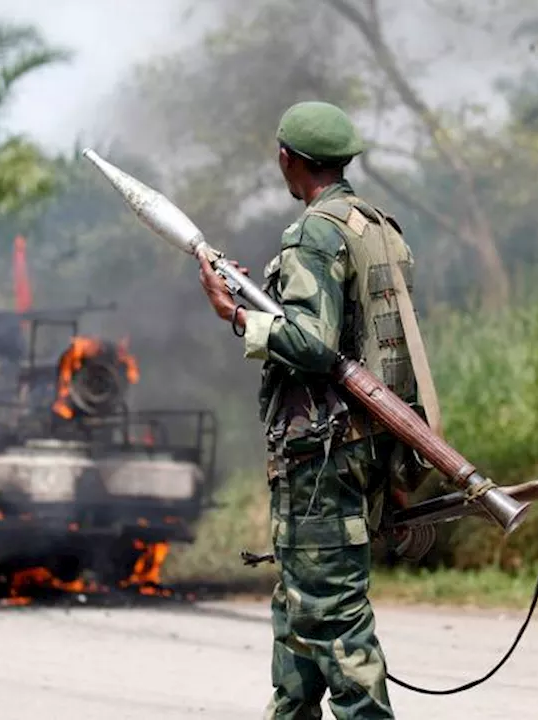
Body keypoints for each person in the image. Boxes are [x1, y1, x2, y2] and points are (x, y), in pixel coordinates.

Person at [198, 100, 434, 719]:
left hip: (321, 460)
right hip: (366, 446)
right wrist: (400, 467)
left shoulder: (314, 233)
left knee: (332, 618)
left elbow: (314, 345)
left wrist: (238, 316)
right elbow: (387, 350)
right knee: (298, 615)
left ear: (287, 159)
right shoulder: (378, 227)